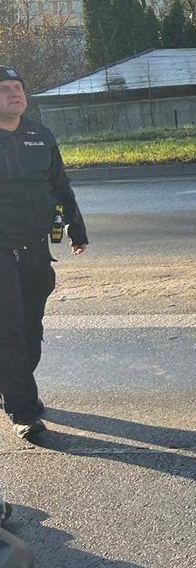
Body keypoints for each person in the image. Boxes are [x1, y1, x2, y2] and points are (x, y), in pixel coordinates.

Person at [0, 65, 88, 440]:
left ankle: (11, 384)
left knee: (32, 330)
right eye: (4, 89)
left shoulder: (40, 134)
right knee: (9, 331)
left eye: (17, 88)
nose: (14, 94)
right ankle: (22, 409)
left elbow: (59, 185)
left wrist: (76, 227)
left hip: (36, 250)